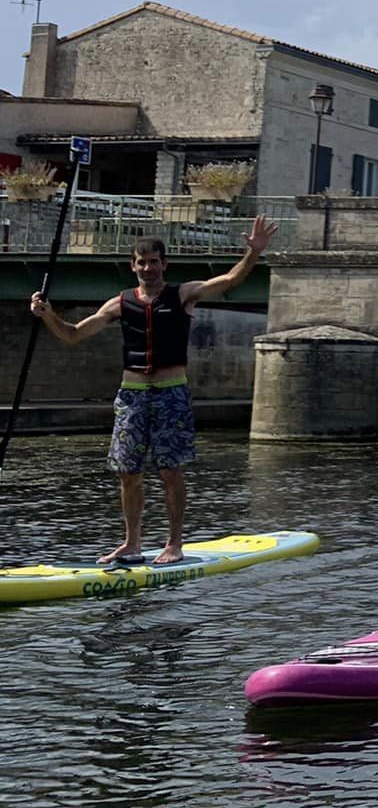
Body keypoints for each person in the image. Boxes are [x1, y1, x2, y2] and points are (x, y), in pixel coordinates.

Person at [29, 218, 278, 565]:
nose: (149, 268)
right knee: (128, 472)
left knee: (170, 471)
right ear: (133, 266)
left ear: (164, 264)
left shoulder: (183, 294)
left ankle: (174, 543)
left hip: (171, 394)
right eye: (142, 262)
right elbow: (72, 334)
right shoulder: (120, 303)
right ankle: (131, 543)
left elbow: (230, 280)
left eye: (154, 262)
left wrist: (253, 253)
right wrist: (47, 315)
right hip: (131, 397)